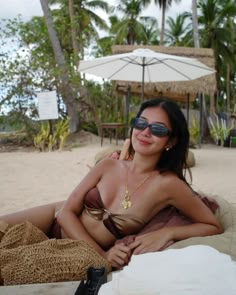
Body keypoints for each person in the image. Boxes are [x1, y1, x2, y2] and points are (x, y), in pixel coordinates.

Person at [0, 98, 223, 269]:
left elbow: (212, 225)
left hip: (76, 249)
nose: (145, 132)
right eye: (141, 123)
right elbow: (67, 211)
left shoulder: (168, 185)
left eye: (157, 129)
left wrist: (168, 233)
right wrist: (102, 254)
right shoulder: (108, 165)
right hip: (54, 217)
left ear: (171, 141)